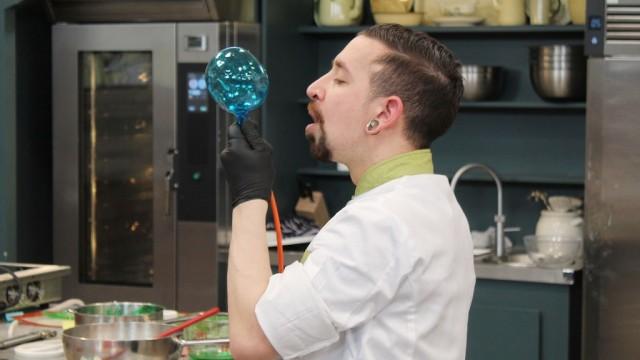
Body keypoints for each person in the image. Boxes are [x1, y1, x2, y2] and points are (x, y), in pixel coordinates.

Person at [220, 24, 475, 360]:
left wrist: (249, 195)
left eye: (339, 79)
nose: (313, 88)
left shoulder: (380, 223)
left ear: (383, 114)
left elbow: (254, 342)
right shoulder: (428, 201)